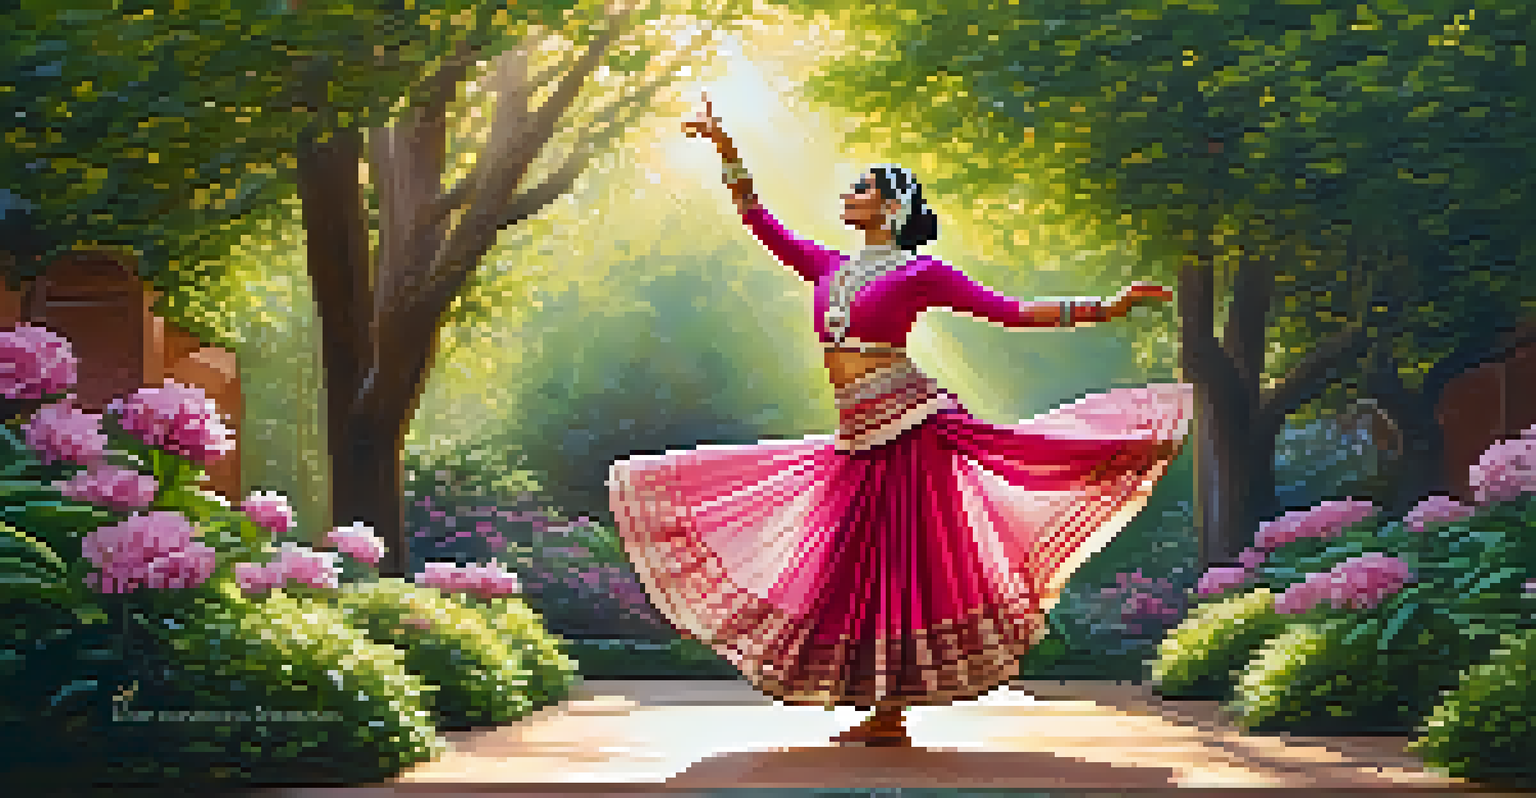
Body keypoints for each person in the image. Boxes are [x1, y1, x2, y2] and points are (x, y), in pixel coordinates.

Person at [607, 95, 1193, 747]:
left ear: (892, 205)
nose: (849, 194)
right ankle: (879, 708)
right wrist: (728, 154)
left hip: (912, 428)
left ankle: (889, 712)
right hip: (856, 438)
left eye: (862, 187)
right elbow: (759, 223)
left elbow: (1006, 310)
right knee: (848, 572)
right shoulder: (828, 266)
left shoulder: (923, 272)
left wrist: (1102, 308)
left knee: (898, 569)